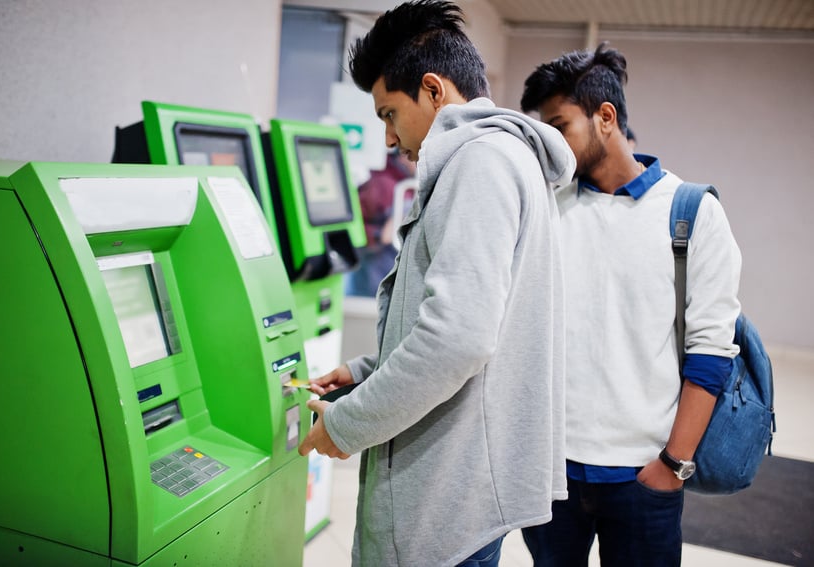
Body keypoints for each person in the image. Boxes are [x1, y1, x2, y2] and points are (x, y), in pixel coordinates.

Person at [297, 1, 576, 565]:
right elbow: (471, 323)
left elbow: (458, 339)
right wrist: (368, 372)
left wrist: (348, 425)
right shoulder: (505, 159)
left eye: (389, 114)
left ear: (432, 90)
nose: (388, 138)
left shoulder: (479, 164)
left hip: (447, 502)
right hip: (465, 484)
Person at [519, 43, 742, 566]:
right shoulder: (548, 210)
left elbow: (711, 354)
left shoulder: (691, 214)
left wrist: (671, 466)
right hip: (552, 478)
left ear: (605, 117)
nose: (553, 149)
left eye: (560, 128)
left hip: (643, 479)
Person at [347, 149, 415, 297]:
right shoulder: (382, 184)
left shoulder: (407, 182)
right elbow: (351, 226)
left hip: (388, 279)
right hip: (373, 280)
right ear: (403, 155)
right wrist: (379, 235)